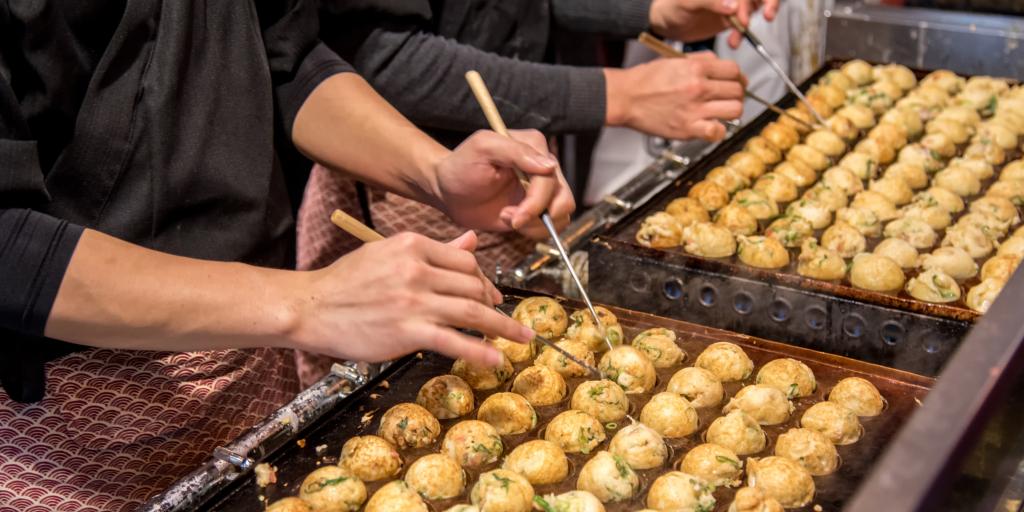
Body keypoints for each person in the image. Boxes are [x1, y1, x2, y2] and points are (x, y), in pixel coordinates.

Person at [0, 1, 572, 510]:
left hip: (254, 346)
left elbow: (287, 59)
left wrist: (434, 173)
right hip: (65, 406)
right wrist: (309, 303)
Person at [297, 0, 777, 277]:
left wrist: (650, 8)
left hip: (521, 150)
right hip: (402, 170)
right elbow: (372, 50)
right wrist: (614, 95)